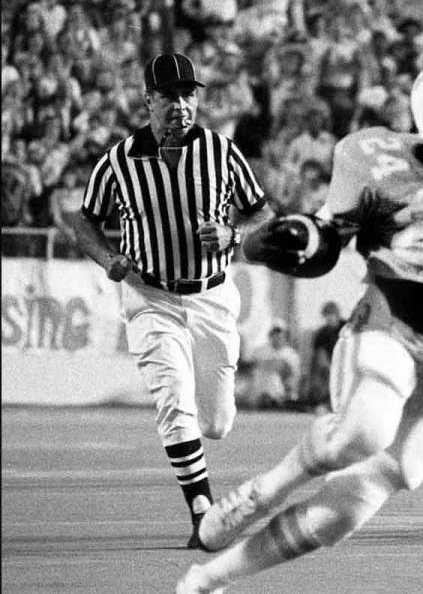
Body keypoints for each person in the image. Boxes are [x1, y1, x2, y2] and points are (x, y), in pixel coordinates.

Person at [176, 53, 423, 592]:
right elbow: (327, 237)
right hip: (388, 321)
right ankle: (264, 491)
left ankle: (207, 579)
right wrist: (290, 239)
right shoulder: (374, 157)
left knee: (348, 510)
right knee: (363, 430)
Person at [68, 52, 273, 548]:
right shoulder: (119, 160)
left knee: (217, 422)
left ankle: (200, 452)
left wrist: (230, 234)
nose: (181, 105)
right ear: (149, 101)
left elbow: (262, 213)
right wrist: (105, 257)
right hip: (149, 293)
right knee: (172, 396)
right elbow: (84, 220)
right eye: (170, 97)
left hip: (211, 295)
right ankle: (201, 510)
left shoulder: (222, 151)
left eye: (189, 94)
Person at [245, 323, 301, 409]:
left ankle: (277, 400)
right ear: (270, 336)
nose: (277, 338)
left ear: (286, 337)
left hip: (283, 391)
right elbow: (250, 369)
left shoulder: (292, 355)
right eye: (274, 335)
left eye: (280, 335)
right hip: (260, 391)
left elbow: (293, 376)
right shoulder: (260, 352)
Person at [305, 301, 344, 412]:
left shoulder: (348, 328)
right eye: (327, 315)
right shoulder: (321, 334)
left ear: (337, 314)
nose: (330, 318)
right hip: (330, 366)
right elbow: (319, 355)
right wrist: (330, 368)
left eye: (332, 314)